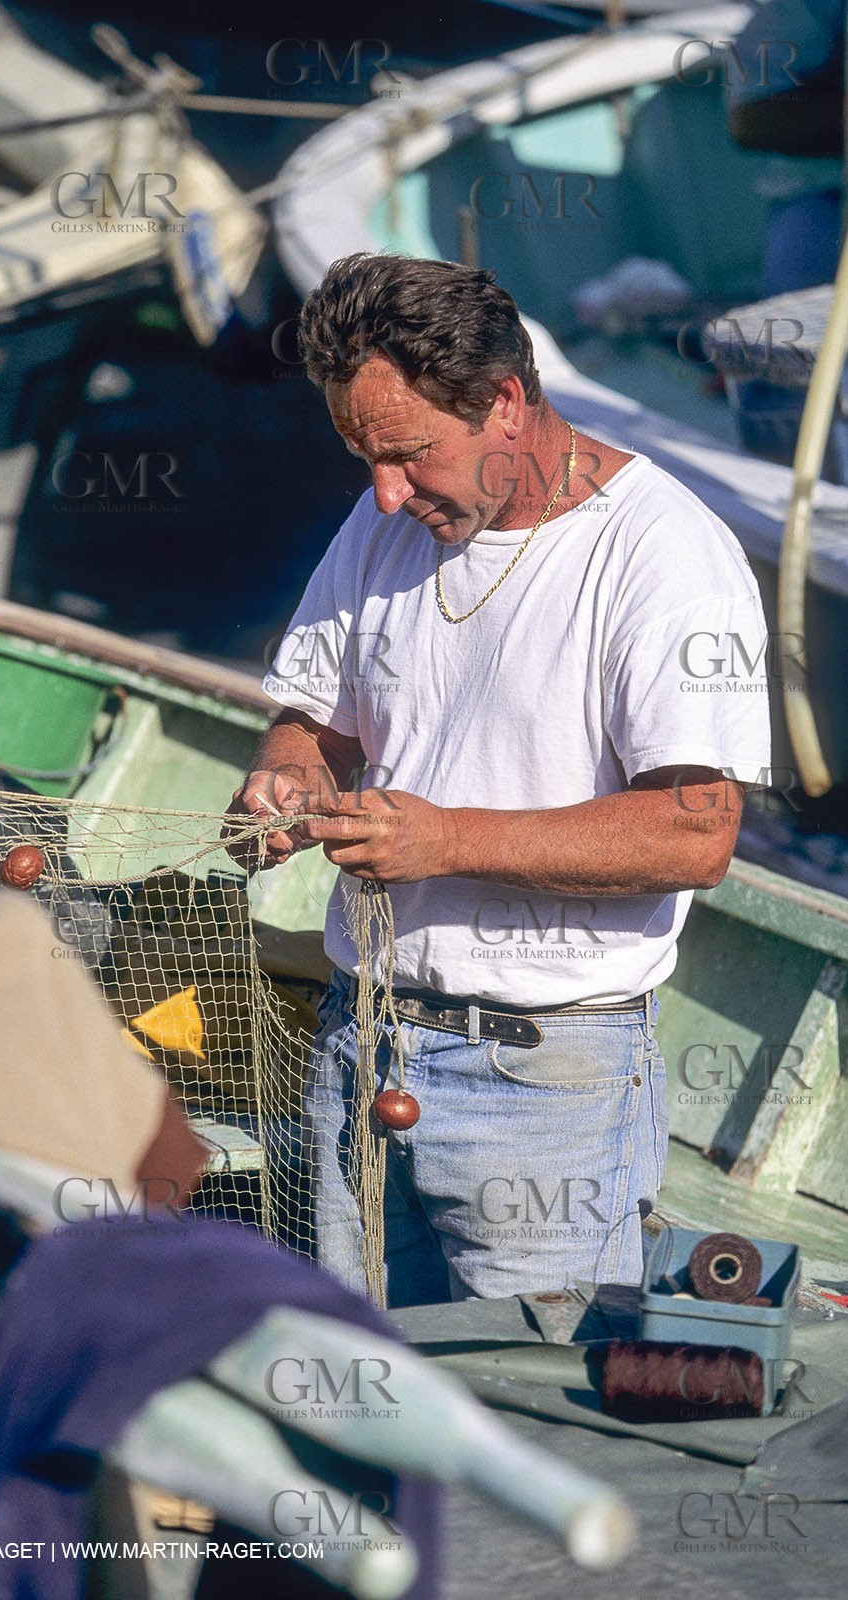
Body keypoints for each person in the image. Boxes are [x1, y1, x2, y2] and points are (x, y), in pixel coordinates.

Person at [225, 254, 771, 1305]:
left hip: (546, 1088)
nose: (383, 490)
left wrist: (447, 839)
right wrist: (284, 777)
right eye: (360, 456)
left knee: (520, 1428)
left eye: (407, 454)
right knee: (350, 1392)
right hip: (361, 1044)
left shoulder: (665, 558)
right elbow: (311, 719)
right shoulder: (383, 517)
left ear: (506, 402)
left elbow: (694, 833)